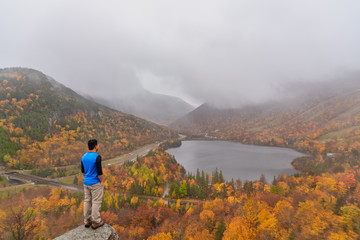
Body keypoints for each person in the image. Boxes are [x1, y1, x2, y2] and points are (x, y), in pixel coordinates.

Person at [81, 139, 105, 229]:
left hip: (86, 183)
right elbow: (100, 172)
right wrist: (102, 181)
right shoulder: (97, 157)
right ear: (95, 146)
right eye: (98, 145)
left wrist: (88, 177)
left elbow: (83, 172)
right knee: (96, 201)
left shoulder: (84, 157)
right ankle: (96, 221)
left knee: (87, 201)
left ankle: (87, 221)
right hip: (95, 183)